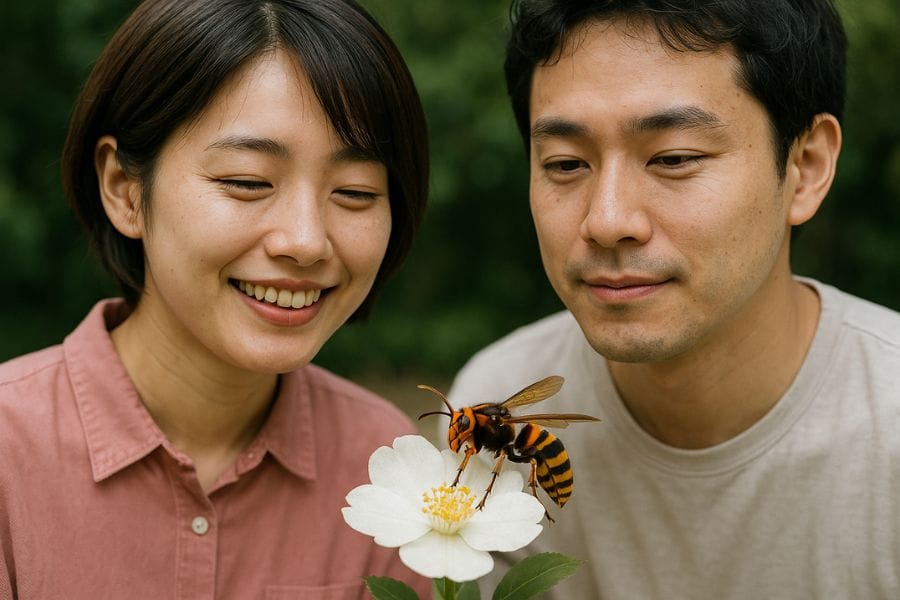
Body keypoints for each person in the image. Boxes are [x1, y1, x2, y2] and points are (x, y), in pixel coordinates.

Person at [447, 0, 900, 598]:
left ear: (806, 166)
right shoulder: (494, 394)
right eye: (565, 163)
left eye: (674, 158)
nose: (607, 221)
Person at [0, 0, 431, 597]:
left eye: (355, 192)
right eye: (247, 182)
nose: (305, 241)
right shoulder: (9, 456)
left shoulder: (385, 465)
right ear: (124, 189)